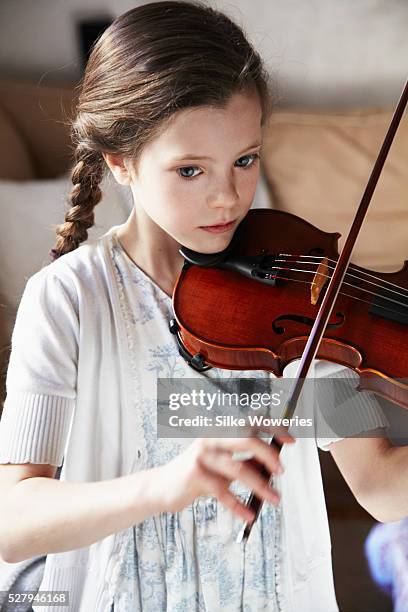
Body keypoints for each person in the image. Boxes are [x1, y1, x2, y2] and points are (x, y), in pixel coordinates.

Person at [0, 2, 405, 611]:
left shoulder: (296, 303)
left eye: (245, 159)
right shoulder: (68, 299)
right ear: (121, 162)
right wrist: (164, 486)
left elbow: (379, 485)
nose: (227, 196)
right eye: (190, 170)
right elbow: (13, 520)